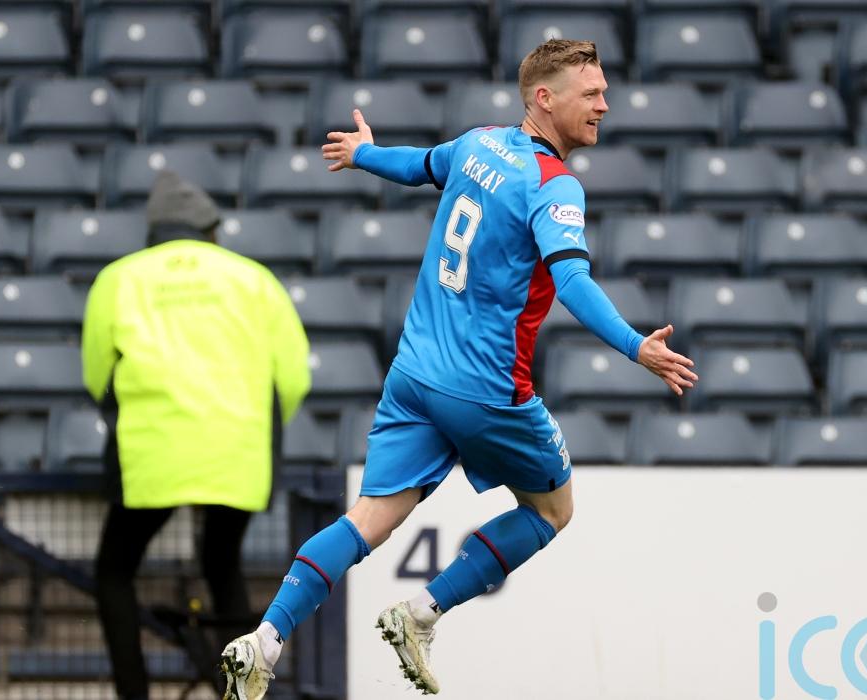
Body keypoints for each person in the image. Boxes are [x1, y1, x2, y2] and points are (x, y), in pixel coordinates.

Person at [220, 39, 697, 699]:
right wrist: (634, 345)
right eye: (591, 94)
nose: (604, 106)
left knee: (368, 518)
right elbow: (572, 281)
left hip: (415, 377)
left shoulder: (479, 145)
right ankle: (422, 611)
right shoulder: (554, 184)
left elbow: (420, 165)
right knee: (553, 509)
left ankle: (265, 638)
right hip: (487, 390)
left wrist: (363, 154)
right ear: (544, 98)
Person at [83, 170, 310, 700]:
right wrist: (255, 430)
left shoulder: (118, 278)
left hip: (151, 452)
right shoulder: (254, 279)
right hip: (238, 454)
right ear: (210, 228)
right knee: (222, 562)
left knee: (114, 572)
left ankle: (134, 694)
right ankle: (240, 694)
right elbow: (294, 377)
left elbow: (97, 374)